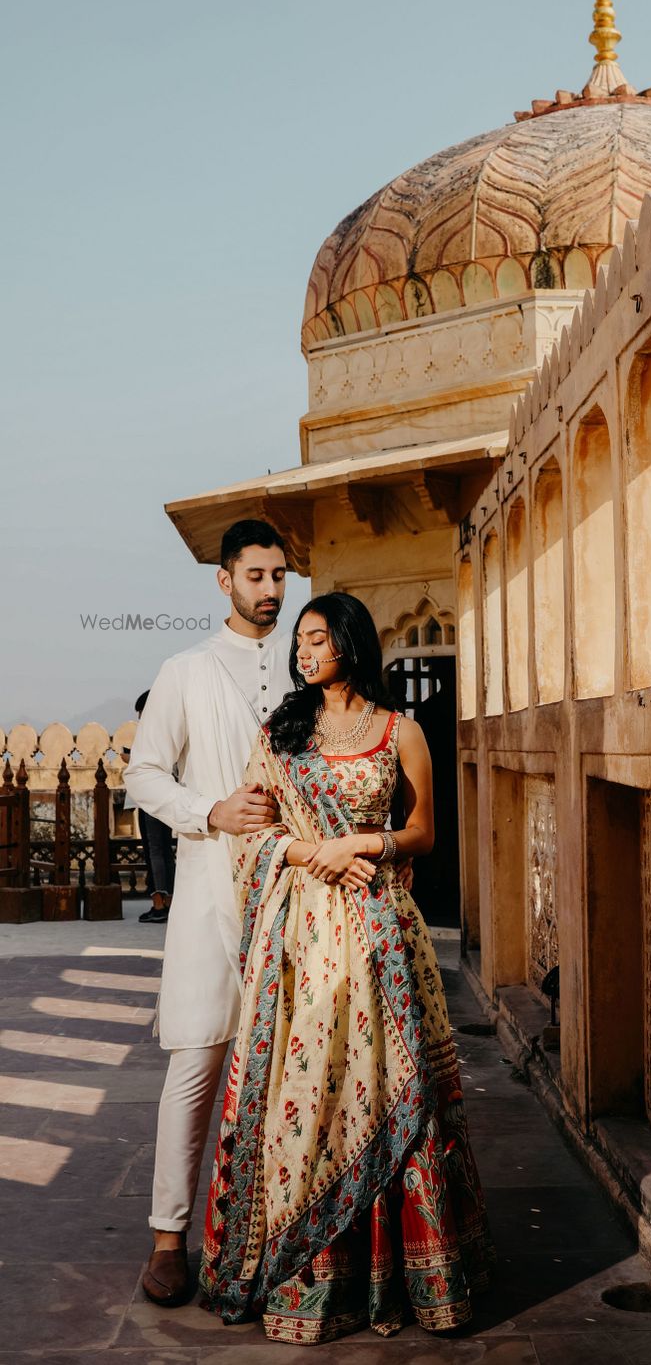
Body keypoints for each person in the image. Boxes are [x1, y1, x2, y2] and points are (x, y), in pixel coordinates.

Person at [199, 591, 492, 1344]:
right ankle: (312, 1273)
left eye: (319, 637)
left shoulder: (403, 730)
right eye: (300, 640)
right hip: (302, 943)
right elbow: (254, 833)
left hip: (386, 937)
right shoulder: (283, 731)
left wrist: (367, 846)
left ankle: (405, 1276)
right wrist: (312, 851)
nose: (305, 651)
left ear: (352, 641)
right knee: (310, 1091)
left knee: (398, 1088)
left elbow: (424, 831)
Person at [123, 518, 290, 1306]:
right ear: (223, 580)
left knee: (290, 1061)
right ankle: (167, 1237)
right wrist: (209, 811)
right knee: (196, 1059)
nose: (270, 589)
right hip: (207, 892)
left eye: (280, 575)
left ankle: (278, 1236)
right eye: (255, 575)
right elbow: (144, 777)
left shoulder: (303, 672)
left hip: (291, 893)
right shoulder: (185, 670)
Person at [132, 690, 176, 924]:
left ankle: (159, 904)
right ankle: (168, 903)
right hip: (168, 798)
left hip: (152, 800)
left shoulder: (150, 735)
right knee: (165, 851)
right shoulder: (171, 731)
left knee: (155, 852)